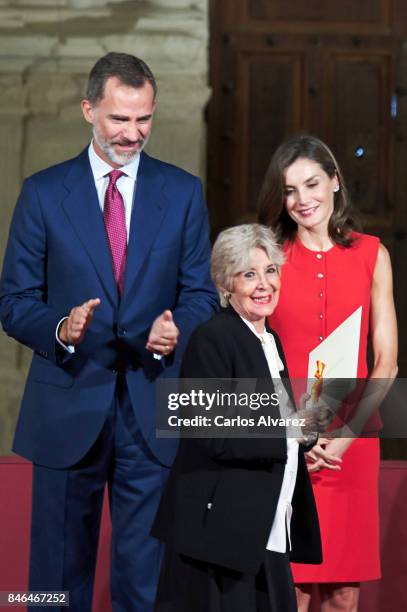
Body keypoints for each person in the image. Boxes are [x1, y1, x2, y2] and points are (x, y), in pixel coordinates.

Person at [0, 52, 218, 612]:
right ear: (88, 109)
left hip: (152, 414)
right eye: (120, 119)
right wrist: (62, 328)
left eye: (143, 118)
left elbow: (200, 295)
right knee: (51, 584)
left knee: (148, 583)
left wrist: (179, 330)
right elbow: (14, 302)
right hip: (66, 410)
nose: (133, 132)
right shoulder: (43, 193)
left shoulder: (183, 192)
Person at [258, 134, 398, 611]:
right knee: (290, 589)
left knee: (343, 594)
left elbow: (386, 362)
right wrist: (292, 434)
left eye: (312, 184)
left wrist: (344, 439)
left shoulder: (372, 254)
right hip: (285, 442)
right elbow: (253, 357)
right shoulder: (268, 259)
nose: (302, 200)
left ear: (335, 181)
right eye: (290, 190)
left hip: (352, 446)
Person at [151, 224, 322, 612]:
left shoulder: (269, 338)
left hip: (263, 522)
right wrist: (288, 431)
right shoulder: (212, 337)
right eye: (249, 274)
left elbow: (275, 420)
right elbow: (212, 432)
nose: (264, 284)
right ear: (226, 285)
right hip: (219, 536)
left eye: (270, 271)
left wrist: (305, 430)